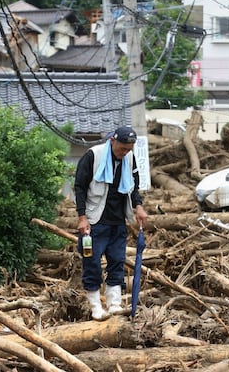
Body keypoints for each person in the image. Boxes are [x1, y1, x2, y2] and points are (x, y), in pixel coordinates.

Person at [74, 125, 148, 321]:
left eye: (128, 149)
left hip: (117, 220)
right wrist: (82, 217)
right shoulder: (93, 155)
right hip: (94, 220)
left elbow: (134, 184)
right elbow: (79, 187)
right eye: (122, 148)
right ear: (112, 140)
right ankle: (95, 306)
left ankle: (114, 304)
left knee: (117, 261)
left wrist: (138, 206)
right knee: (92, 263)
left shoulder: (129, 158)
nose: (124, 153)